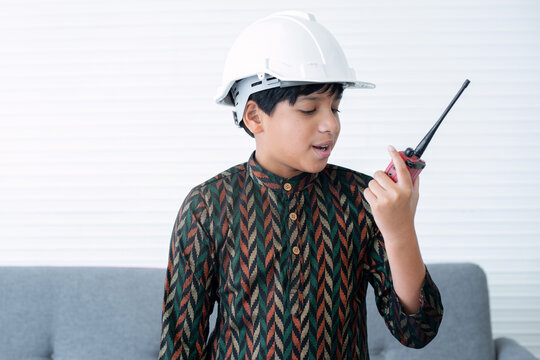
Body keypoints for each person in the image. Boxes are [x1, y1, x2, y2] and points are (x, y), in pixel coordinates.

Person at [159, 10, 443, 360]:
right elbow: (180, 347)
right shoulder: (207, 206)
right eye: (310, 110)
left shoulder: (361, 199)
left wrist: (400, 232)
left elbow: (418, 330)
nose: (330, 125)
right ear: (254, 116)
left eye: (335, 108)